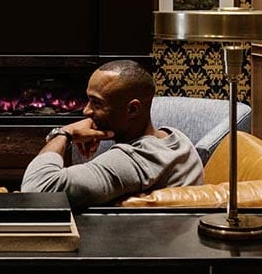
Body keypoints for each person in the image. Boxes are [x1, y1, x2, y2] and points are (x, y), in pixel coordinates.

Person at [21, 60, 203, 210]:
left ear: (132, 109)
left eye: (97, 104)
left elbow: (36, 191)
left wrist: (64, 133)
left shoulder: (133, 161)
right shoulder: (177, 139)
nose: (86, 111)